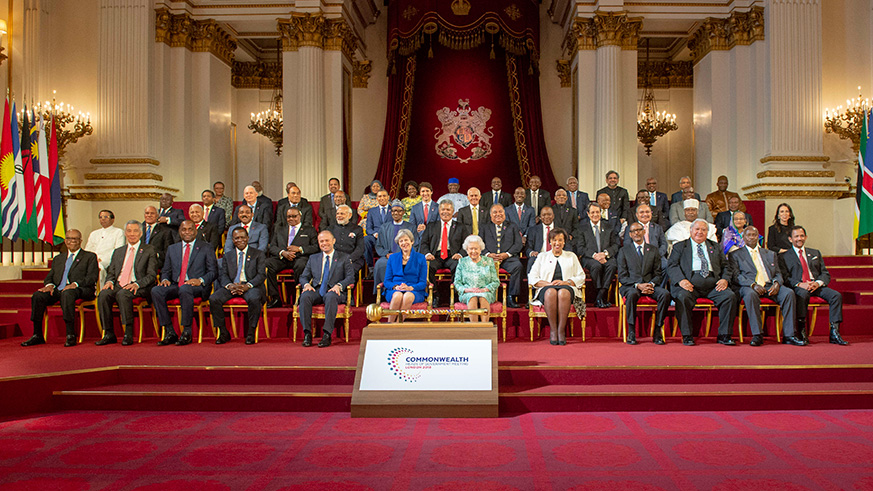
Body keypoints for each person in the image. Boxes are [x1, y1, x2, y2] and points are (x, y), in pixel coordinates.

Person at [667, 219, 738, 346]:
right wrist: (681, 280)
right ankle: (687, 335)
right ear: (691, 231)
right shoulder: (680, 246)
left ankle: (724, 335)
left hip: (713, 284)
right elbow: (672, 266)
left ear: (707, 232)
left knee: (729, 297)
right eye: (697, 229)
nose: (700, 232)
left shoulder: (715, 246)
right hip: (690, 284)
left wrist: (724, 279)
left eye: (703, 230)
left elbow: (726, 266)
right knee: (682, 297)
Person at [22, 230, 99, 347]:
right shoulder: (58, 258)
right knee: (38, 296)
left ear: (80, 241)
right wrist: (49, 286)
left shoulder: (89, 256)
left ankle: (70, 335)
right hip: (59, 290)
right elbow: (49, 277)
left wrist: (75, 284)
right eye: (69, 238)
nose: (72, 241)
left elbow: (92, 277)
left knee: (68, 294)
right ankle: (37, 334)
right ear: (65, 241)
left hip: (81, 289)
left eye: (75, 239)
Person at [729, 226, 802, 346]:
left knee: (788, 293)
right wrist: (753, 284)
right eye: (749, 235)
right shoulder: (736, 255)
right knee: (750, 295)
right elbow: (736, 276)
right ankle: (757, 335)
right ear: (743, 237)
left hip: (769, 285)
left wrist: (777, 283)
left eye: (754, 235)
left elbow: (778, 273)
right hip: (749, 286)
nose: (752, 237)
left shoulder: (770, 253)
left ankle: (789, 335)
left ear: (758, 237)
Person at [152, 220, 218, 346]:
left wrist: (200, 280)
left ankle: (187, 331)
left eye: (190, 229)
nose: (187, 232)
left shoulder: (206, 247)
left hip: (197, 287)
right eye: (184, 229)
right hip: (177, 285)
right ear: (179, 232)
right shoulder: (172, 249)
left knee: (185, 289)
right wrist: (165, 279)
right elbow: (166, 270)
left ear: (195, 231)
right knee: (156, 290)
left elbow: (213, 272)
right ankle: (169, 331)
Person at [779, 226, 848, 345]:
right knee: (803, 294)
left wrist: (817, 283)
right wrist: (800, 284)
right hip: (799, 287)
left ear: (805, 237)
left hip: (816, 286)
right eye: (796, 236)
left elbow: (825, 274)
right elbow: (785, 278)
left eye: (801, 236)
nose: (799, 239)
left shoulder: (815, 253)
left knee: (836, 296)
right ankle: (801, 330)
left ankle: (834, 332)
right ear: (790, 239)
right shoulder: (783, 257)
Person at [96, 221, 158, 346]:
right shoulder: (118, 251)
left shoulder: (148, 250)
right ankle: (108, 333)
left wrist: (137, 284)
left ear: (141, 234)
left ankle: (128, 333)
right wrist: (109, 281)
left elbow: (151, 275)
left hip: (139, 286)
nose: (132, 234)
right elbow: (111, 272)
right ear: (125, 233)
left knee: (123, 294)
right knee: (103, 294)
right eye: (129, 231)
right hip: (119, 284)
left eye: (135, 231)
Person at [209, 228, 267, 345]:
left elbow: (261, 275)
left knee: (254, 298)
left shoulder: (258, 254)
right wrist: (230, 286)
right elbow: (224, 274)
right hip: (233, 286)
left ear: (247, 238)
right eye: (236, 238)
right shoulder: (228, 255)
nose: (240, 240)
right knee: (214, 298)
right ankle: (223, 332)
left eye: (242, 237)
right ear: (233, 240)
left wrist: (248, 285)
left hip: (251, 286)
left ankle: (251, 332)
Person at [297, 230, 355, 348]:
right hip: (317, 290)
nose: (324, 243)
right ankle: (307, 334)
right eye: (321, 241)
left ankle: (327, 334)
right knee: (305, 296)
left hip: (335, 291)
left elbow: (350, 277)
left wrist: (339, 285)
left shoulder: (344, 257)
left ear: (333, 241)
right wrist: (306, 284)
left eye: (327, 240)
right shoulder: (313, 258)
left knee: (330, 296)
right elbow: (303, 276)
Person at [528, 228, 585, 345]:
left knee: (563, 293)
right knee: (551, 292)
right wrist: (548, 284)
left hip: (567, 287)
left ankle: (561, 330)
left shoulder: (571, 256)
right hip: (546, 287)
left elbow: (581, 276)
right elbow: (532, 277)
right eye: (554, 240)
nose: (557, 243)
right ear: (550, 241)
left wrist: (567, 282)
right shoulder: (542, 257)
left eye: (560, 240)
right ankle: (553, 330)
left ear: (564, 242)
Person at [618, 222, 670, 345]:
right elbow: (622, 276)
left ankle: (658, 330)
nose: (636, 232)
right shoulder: (624, 251)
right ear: (630, 235)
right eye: (633, 231)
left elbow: (658, 274)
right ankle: (631, 331)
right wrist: (638, 285)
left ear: (644, 232)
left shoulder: (653, 250)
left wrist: (651, 284)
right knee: (631, 295)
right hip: (631, 286)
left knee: (665, 294)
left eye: (639, 230)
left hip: (650, 286)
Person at [265, 207, 318, 307]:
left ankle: (300, 296)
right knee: (267, 264)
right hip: (283, 258)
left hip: (300, 258)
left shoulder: (309, 230)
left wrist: (300, 249)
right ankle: (275, 298)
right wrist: (282, 252)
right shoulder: (279, 229)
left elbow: (316, 247)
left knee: (302, 265)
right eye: (289, 217)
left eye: (294, 216)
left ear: (300, 216)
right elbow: (272, 247)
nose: (291, 219)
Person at [420, 200, 466, 305]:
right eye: (443, 209)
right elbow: (423, 243)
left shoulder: (460, 226)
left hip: (453, 256)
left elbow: (466, 244)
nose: (445, 212)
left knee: (458, 266)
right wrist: (427, 254)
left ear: (453, 211)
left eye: (448, 209)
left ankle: (454, 295)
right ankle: (434, 295)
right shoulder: (431, 226)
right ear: (439, 211)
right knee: (428, 266)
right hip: (434, 256)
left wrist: (460, 254)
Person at [576, 202, 619, 308]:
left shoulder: (609, 226)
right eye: (592, 212)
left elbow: (615, 244)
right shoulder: (582, 228)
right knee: (596, 266)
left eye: (597, 212)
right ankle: (601, 296)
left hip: (606, 256)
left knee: (612, 265)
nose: (595, 214)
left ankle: (600, 296)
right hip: (590, 258)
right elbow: (580, 247)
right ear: (588, 214)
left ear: (601, 213)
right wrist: (595, 255)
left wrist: (604, 254)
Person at [482, 204, 524, 309]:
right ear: (490, 215)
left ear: (504, 214)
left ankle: (511, 296)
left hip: (508, 259)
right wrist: (488, 254)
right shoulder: (484, 227)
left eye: (500, 212)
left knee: (517, 266)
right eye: (495, 212)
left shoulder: (512, 226)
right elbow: (480, 244)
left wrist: (506, 254)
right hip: (489, 259)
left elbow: (518, 244)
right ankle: (484, 296)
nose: (498, 214)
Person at [373, 201, 417, 300]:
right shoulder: (384, 227)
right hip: (388, 257)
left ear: (403, 212)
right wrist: (387, 254)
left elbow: (416, 244)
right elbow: (379, 246)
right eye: (393, 211)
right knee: (380, 264)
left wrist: (405, 254)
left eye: (398, 211)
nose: (395, 213)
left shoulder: (410, 227)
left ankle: (405, 289)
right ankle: (382, 292)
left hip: (406, 256)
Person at [383, 228, 429, 322]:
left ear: (412, 241)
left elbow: (423, 283)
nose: (404, 243)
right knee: (397, 295)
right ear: (399, 244)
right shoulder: (392, 258)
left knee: (408, 295)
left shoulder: (420, 258)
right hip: (395, 290)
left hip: (415, 290)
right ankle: (389, 324)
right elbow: (387, 281)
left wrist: (410, 288)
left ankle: (399, 324)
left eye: (406, 240)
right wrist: (395, 286)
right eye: (401, 241)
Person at [453, 235, 499, 323]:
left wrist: (485, 289)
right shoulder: (462, 262)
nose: (473, 251)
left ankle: (484, 328)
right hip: (468, 292)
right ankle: (475, 328)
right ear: (466, 250)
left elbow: (495, 281)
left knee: (483, 297)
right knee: (472, 297)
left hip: (485, 291)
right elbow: (457, 282)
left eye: (476, 248)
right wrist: (467, 290)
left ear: (481, 249)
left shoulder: (489, 261)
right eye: (471, 249)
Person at [83, 209, 125, 287]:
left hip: (106, 262)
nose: (102, 219)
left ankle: (101, 291)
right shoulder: (94, 233)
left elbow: (118, 251)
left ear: (112, 219)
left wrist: (101, 260)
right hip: (93, 260)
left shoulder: (118, 232)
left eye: (105, 217)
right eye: (100, 217)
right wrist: (93, 259)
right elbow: (88, 250)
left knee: (99, 268)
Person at [623, 204, 668, 272]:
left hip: (656, 256)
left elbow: (664, 244)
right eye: (642, 212)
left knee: (666, 266)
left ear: (651, 214)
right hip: (637, 256)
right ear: (636, 215)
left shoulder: (658, 227)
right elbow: (627, 244)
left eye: (647, 212)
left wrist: (657, 255)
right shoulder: (630, 228)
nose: (645, 214)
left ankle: (656, 283)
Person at [329, 204, 366, 277]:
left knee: (348, 271)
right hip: (334, 259)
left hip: (352, 259)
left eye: (342, 213)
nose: (339, 216)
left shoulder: (357, 229)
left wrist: (349, 259)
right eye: (337, 213)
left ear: (349, 215)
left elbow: (360, 248)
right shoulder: (330, 229)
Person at [142, 205, 178, 271]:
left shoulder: (165, 231)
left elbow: (168, 252)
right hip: (139, 265)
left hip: (157, 266)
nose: (149, 215)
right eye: (147, 213)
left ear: (157, 215)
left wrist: (156, 254)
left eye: (152, 213)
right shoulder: (139, 229)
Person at [364, 189, 392, 268]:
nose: (382, 198)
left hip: (390, 237)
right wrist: (375, 234)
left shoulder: (393, 210)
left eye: (384, 196)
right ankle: (371, 268)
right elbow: (368, 228)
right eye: (380, 196)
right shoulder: (372, 211)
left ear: (388, 197)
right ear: (377, 198)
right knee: (366, 240)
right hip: (376, 237)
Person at [526, 206, 559, 272]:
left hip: (557, 255)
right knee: (531, 261)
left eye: (549, 214)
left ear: (553, 216)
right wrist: (532, 252)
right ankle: (532, 282)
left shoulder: (560, 229)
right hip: (539, 256)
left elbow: (567, 246)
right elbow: (528, 247)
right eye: (544, 215)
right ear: (540, 217)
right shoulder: (533, 230)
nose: (546, 217)